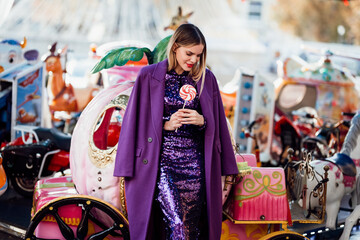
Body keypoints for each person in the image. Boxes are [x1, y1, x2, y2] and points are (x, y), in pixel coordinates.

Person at [114, 23, 239, 240]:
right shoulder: (148, 75)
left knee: (190, 227)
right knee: (178, 224)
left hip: (195, 166)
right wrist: (165, 123)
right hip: (162, 164)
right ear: (175, 47)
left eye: (198, 55)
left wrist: (202, 120)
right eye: (188, 53)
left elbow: (217, 123)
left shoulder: (206, 79)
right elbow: (133, 121)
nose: (193, 60)